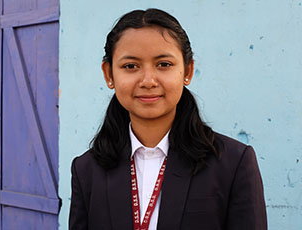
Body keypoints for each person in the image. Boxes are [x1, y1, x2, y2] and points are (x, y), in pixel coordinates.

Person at [69, 8, 267, 230]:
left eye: (163, 64)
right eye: (130, 66)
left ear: (188, 71)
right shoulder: (86, 170)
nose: (148, 81)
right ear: (109, 74)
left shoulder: (233, 163)